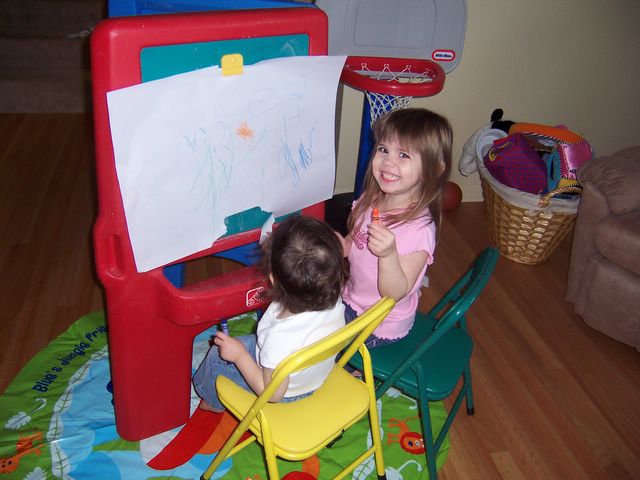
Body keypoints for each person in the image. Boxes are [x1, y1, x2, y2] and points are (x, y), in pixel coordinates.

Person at [193, 215, 348, 412]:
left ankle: (213, 402)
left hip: (288, 392)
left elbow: (273, 394)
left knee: (218, 355)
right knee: (244, 346)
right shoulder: (332, 294)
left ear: (273, 280)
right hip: (314, 374)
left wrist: (240, 356)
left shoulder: (279, 339)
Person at [340, 108, 453, 347]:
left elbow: (393, 294)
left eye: (403, 155)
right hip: (352, 298)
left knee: (310, 343)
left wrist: (388, 255)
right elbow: (352, 242)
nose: (388, 161)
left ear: (433, 169)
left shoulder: (419, 231)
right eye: (383, 149)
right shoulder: (371, 199)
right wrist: (337, 244)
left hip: (377, 323)